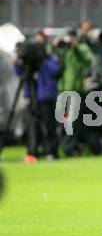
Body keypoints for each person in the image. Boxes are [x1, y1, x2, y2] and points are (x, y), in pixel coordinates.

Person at [14, 30, 61, 161]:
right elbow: (20, 74)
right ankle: (33, 151)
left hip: (46, 96)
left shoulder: (50, 58)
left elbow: (55, 71)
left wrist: (43, 58)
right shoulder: (29, 60)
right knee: (32, 126)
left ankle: (51, 151)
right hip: (32, 95)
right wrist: (18, 61)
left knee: (49, 125)